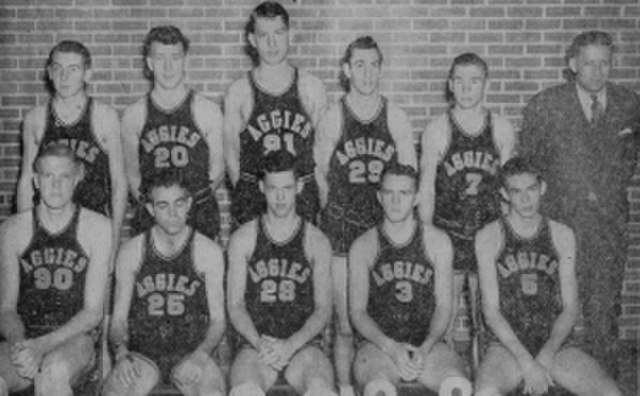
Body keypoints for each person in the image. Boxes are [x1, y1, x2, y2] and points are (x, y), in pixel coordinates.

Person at [519, 30, 640, 375]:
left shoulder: (630, 105)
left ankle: (604, 385)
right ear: (572, 64)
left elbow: (629, 161)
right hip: (560, 226)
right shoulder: (546, 105)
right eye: (589, 63)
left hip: (607, 230)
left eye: (605, 63)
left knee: (603, 318)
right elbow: (530, 166)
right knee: (553, 316)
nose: (597, 71)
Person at [314, 36, 417, 396]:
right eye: (359, 64)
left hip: (383, 232)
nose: (367, 72)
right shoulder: (332, 117)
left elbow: (408, 178)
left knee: (387, 321)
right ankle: (343, 389)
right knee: (344, 324)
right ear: (346, 70)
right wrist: (342, 218)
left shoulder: (396, 117)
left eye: (374, 64)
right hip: (344, 229)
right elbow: (321, 180)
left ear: (381, 68)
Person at [474, 156, 621, 396]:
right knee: (485, 393)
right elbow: (491, 311)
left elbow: (571, 307)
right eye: (516, 191)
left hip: (556, 345)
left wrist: (544, 356)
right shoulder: (489, 237)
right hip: (507, 346)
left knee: (611, 394)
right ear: (504, 193)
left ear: (542, 188)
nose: (525, 199)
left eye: (531, 189)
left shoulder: (562, 235)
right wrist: (526, 362)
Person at [349, 163, 471, 396]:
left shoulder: (437, 241)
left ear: (415, 198)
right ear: (379, 197)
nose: (395, 202)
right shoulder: (363, 245)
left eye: (403, 194)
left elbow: (444, 305)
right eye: (389, 193)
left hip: (428, 345)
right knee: (379, 389)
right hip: (378, 346)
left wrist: (426, 347)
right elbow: (357, 311)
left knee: (458, 387)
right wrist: (391, 347)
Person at [417, 52, 515, 343]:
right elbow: (427, 189)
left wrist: (506, 237)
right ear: (450, 84)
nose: (466, 88)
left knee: (487, 321)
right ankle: (448, 381)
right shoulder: (437, 129)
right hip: (449, 234)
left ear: (487, 85)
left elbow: (509, 191)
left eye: (474, 81)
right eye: (459, 81)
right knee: (442, 321)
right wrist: (426, 236)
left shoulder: (501, 128)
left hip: (487, 233)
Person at [0, 143, 112, 396]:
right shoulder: (12, 229)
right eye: (48, 176)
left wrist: (41, 347)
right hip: (25, 337)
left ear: (77, 179)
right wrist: (21, 346)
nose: (56, 185)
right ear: (36, 181)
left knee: (52, 373)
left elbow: (93, 313)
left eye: (64, 176)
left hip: (75, 340)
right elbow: (6, 308)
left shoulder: (98, 227)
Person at [102, 170, 226, 396]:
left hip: (191, 351)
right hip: (143, 354)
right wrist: (121, 354)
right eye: (162, 205)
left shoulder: (208, 251)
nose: (172, 213)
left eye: (179, 204)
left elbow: (218, 322)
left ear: (189, 204)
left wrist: (200, 356)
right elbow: (118, 321)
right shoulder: (132, 252)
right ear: (150, 209)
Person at [226, 151, 335, 396]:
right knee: (245, 391)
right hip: (255, 346)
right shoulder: (243, 238)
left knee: (321, 390)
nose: (280, 197)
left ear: (299, 186)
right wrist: (259, 343)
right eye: (273, 188)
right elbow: (235, 305)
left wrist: (290, 345)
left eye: (287, 188)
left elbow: (323, 309)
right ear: (262, 187)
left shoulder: (316, 240)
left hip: (303, 345)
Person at [16, 40, 126, 261]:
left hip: (93, 227)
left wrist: (113, 243)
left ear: (87, 74)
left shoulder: (104, 117)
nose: (64, 77)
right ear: (49, 72)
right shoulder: (36, 118)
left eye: (73, 69)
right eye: (58, 68)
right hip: (48, 227)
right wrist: (24, 235)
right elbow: (26, 181)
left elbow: (119, 183)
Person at [224, 1, 327, 226]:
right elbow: (232, 157)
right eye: (263, 35)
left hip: (302, 196)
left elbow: (322, 154)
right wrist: (248, 196)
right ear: (252, 40)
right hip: (256, 197)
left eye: (279, 33)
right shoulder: (239, 91)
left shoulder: (311, 87)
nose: (272, 43)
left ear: (290, 35)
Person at [122, 25, 224, 241]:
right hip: (153, 218)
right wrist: (161, 211)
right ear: (149, 63)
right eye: (160, 58)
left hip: (198, 213)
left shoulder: (207, 110)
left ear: (185, 61)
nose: (168, 67)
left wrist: (183, 208)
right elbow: (132, 175)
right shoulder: (134, 114)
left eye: (175, 58)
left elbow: (217, 170)